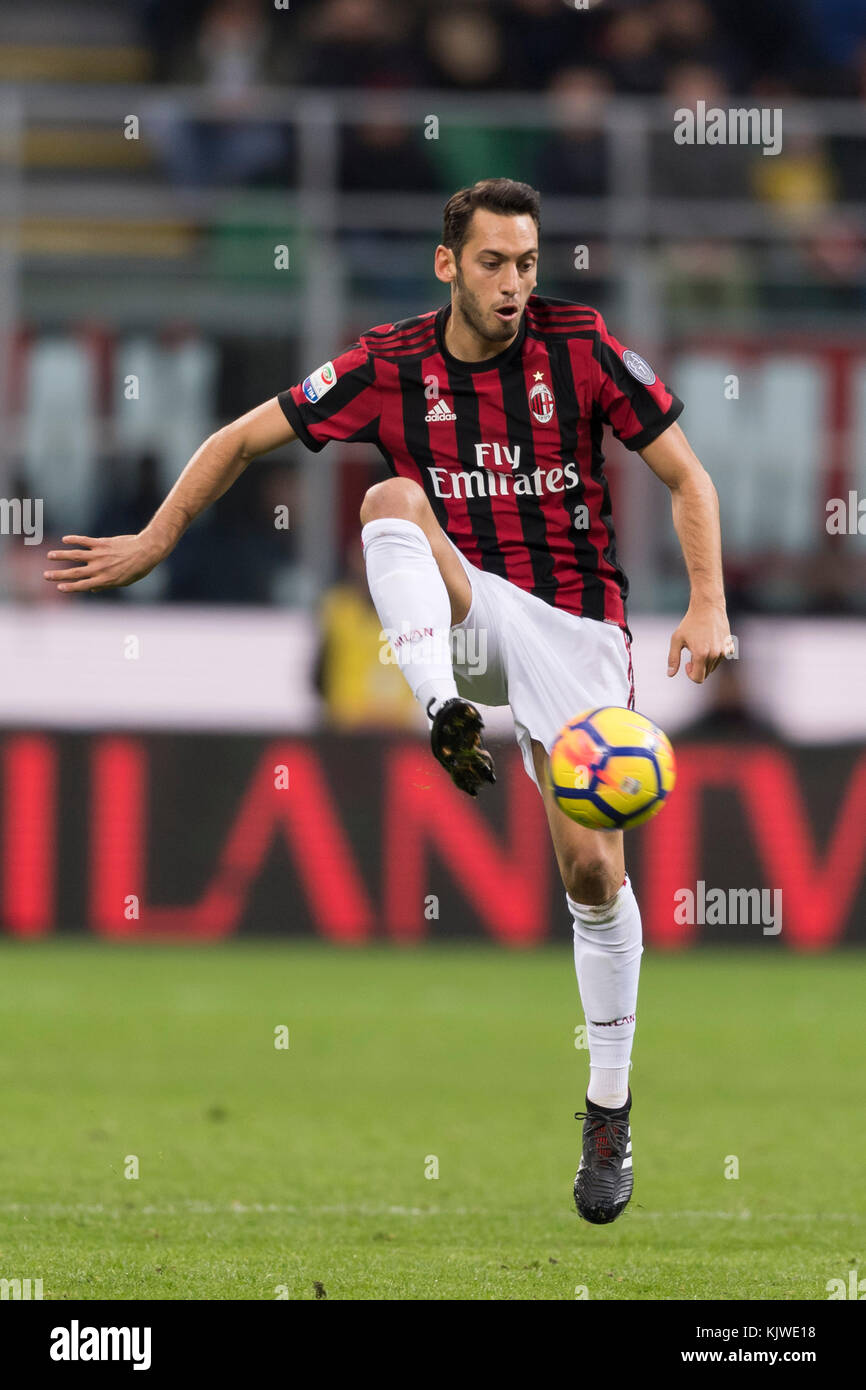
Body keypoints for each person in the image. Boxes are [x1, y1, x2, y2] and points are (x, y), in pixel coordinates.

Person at [43, 177, 732, 1226]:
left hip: (574, 627)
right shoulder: (387, 363)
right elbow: (237, 439)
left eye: (528, 263)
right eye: (494, 263)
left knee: (592, 870)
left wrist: (705, 604)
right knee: (387, 499)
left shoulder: (580, 346)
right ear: (447, 264)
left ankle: (605, 1107)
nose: (514, 285)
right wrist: (154, 538)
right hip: (461, 614)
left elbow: (687, 478)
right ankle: (439, 709)